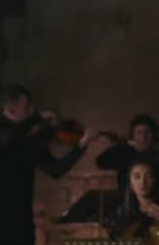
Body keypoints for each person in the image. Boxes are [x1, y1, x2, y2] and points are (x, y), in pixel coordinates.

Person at [0, 84, 98, 245]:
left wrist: (82, 145)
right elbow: (10, 139)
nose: (32, 110)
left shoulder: (31, 139)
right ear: (11, 109)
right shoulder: (6, 132)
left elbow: (56, 169)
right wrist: (37, 118)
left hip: (23, 221)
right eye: (27, 107)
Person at [96, 114, 159, 196]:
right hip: (128, 203)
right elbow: (101, 162)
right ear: (133, 136)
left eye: (147, 133)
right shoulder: (125, 153)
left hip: (157, 204)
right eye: (139, 133)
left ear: (154, 135)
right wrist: (124, 145)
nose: (143, 137)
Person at [105, 159, 159, 242]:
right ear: (130, 184)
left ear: (155, 179)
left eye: (149, 176)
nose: (143, 182)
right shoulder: (121, 211)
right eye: (137, 177)